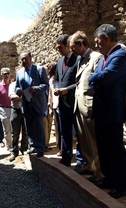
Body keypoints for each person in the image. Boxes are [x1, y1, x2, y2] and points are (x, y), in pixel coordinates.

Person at [88, 24, 126, 198]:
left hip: (113, 110)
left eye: (98, 41)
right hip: (101, 110)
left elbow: (103, 77)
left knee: (115, 148)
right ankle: (109, 177)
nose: (97, 45)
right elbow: (97, 77)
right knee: (103, 147)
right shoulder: (105, 57)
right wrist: (95, 79)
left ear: (106, 39)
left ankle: (121, 186)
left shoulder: (121, 56)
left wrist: (94, 79)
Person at [69, 31, 103, 182]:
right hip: (80, 107)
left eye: (73, 47)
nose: (71, 50)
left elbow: (99, 83)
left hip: (90, 107)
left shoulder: (96, 57)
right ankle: (90, 166)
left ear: (81, 43)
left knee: (95, 142)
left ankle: (100, 172)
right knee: (84, 140)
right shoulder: (80, 60)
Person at [54, 34, 81, 167]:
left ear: (67, 46)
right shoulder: (59, 62)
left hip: (75, 103)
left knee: (79, 133)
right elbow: (57, 79)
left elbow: (81, 82)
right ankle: (66, 157)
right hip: (63, 103)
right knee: (65, 132)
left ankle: (81, 161)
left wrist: (67, 89)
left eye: (60, 47)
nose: (57, 50)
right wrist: (57, 88)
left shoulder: (78, 60)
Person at [15, 51, 49, 157]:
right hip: (26, 104)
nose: (24, 61)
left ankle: (40, 148)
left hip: (38, 103)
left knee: (39, 126)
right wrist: (18, 91)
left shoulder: (39, 70)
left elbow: (46, 85)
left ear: (30, 58)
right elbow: (16, 87)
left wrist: (36, 89)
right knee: (29, 126)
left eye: (25, 58)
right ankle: (33, 146)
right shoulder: (19, 73)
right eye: (22, 59)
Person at [8, 67, 28, 162]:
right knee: (15, 132)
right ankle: (14, 151)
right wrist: (24, 96)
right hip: (15, 110)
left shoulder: (26, 83)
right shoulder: (12, 85)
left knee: (25, 131)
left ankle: (24, 149)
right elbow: (12, 97)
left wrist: (22, 96)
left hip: (25, 109)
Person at [0, 68, 12, 149]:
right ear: (1, 75)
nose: (6, 75)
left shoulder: (13, 84)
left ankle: (14, 144)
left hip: (13, 108)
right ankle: (9, 145)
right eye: (4, 74)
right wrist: (2, 105)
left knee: (14, 128)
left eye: (7, 73)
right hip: (4, 109)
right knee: (7, 129)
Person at [47, 62, 61, 155]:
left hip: (62, 105)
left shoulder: (61, 78)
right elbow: (50, 94)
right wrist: (50, 107)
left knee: (63, 129)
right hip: (56, 106)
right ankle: (60, 148)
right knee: (58, 129)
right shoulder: (51, 81)